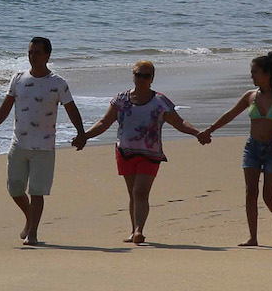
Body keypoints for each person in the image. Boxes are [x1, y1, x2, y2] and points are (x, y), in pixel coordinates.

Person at [73, 60, 209, 245]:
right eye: (138, 75)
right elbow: (104, 122)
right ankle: (133, 230)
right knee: (133, 194)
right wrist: (85, 136)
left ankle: (139, 230)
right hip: (125, 152)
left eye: (146, 76)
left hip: (150, 154)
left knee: (140, 192)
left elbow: (179, 122)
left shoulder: (160, 102)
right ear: (133, 76)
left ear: (152, 78)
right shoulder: (120, 100)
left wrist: (197, 133)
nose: (142, 79)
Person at [0, 37, 85, 246]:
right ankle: (30, 219)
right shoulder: (18, 78)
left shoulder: (57, 83)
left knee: (37, 192)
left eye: (37, 52)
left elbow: (71, 109)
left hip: (45, 146)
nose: (33, 56)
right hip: (18, 143)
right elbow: (5, 106)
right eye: (30, 52)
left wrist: (81, 132)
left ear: (48, 55)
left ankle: (33, 233)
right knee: (15, 189)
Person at [201, 52, 272, 247]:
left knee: (269, 196)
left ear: (267, 73)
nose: (251, 76)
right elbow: (230, 114)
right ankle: (252, 237)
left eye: (254, 72)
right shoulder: (250, 96)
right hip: (252, 147)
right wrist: (210, 129)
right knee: (250, 192)